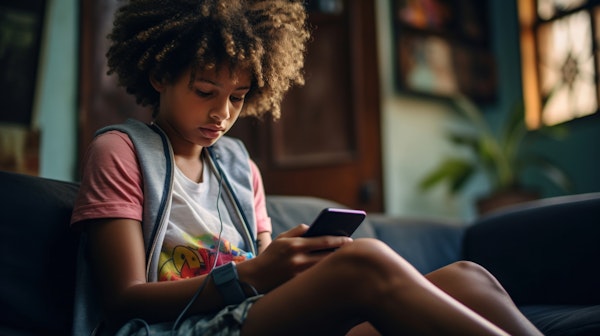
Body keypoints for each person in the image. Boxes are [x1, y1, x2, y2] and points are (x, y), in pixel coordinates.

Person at [70, 0, 543, 335]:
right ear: (158, 75)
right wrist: (251, 274)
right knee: (367, 259)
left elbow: (270, 283)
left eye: (237, 97)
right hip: (179, 329)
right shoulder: (120, 151)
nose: (222, 114)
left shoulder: (240, 168)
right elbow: (123, 299)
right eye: (204, 91)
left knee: (467, 277)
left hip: (261, 319)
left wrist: (289, 267)